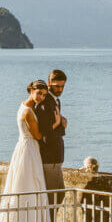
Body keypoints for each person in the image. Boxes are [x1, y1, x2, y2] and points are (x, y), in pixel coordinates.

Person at [0, 79, 54, 222]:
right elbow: (37, 135)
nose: (41, 97)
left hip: (24, 147)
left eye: (44, 95)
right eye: (39, 93)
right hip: (29, 148)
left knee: (22, 186)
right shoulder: (28, 112)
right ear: (31, 91)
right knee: (30, 185)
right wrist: (56, 124)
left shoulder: (24, 106)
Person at [35, 69, 68, 206]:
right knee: (54, 199)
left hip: (54, 160)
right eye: (57, 86)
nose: (60, 89)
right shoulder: (45, 104)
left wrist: (60, 125)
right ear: (49, 83)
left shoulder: (54, 101)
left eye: (62, 86)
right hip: (49, 159)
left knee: (57, 197)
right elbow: (45, 135)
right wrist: (60, 125)